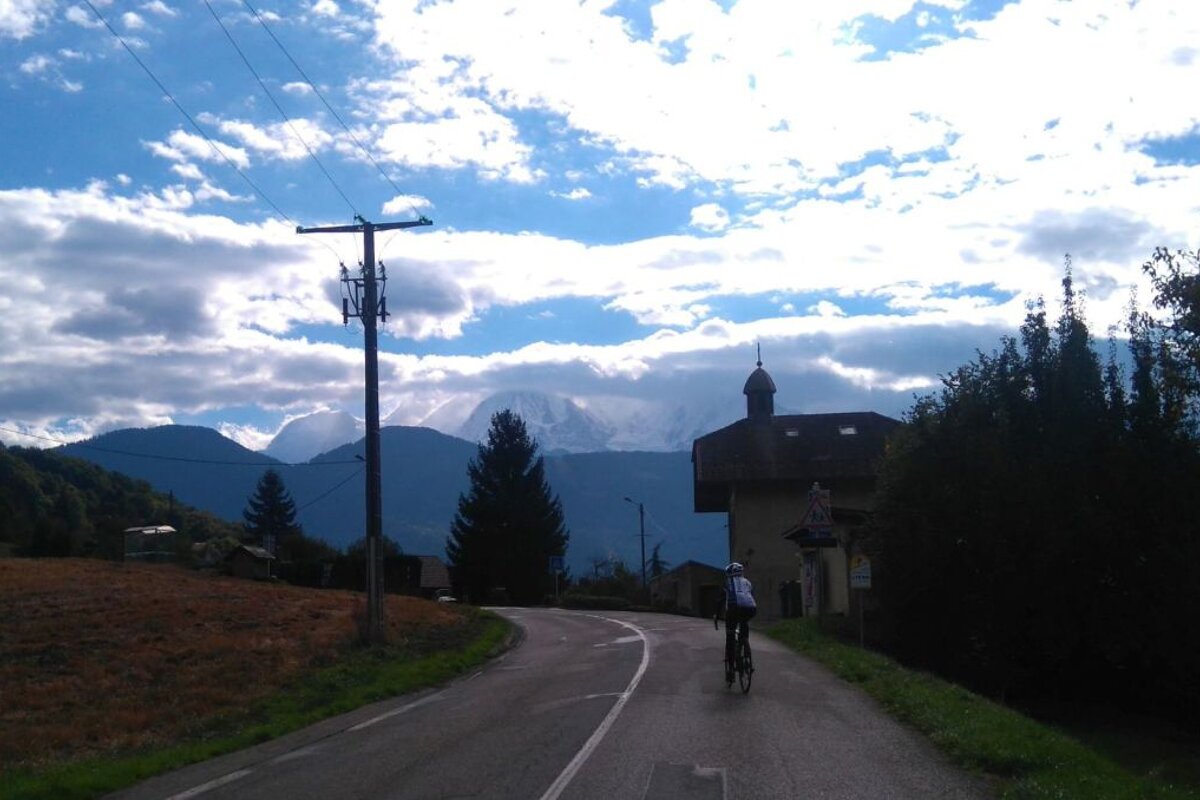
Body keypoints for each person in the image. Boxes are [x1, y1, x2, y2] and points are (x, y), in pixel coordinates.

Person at [716, 561, 757, 682]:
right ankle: (745, 648)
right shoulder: (748, 582)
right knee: (744, 625)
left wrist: (716, 615)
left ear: (729, 574)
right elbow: (751, 597)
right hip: (751, 609)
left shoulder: (727, 583)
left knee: (730, 636)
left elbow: (720, 601)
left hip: (734, 609)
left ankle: (731, 671)